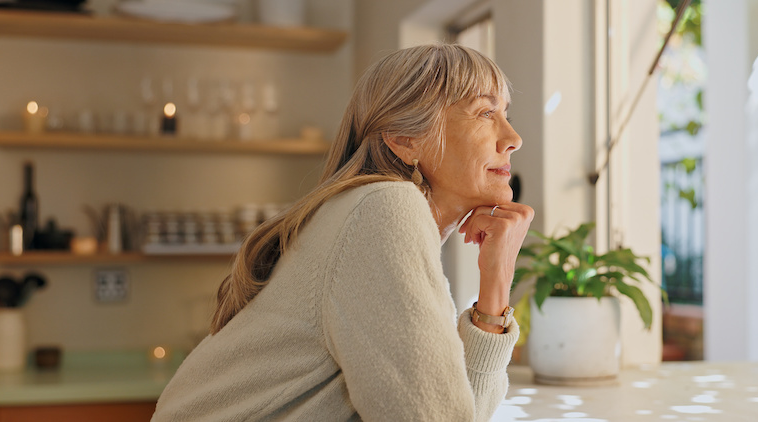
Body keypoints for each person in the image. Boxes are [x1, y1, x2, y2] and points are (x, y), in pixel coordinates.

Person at [152, 43, 534, 422]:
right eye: (486, 112)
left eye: (505, 114)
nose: (513, 137)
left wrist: (496, 281)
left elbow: (461, 410)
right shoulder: (384, 207)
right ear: (404, 139)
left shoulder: (374, 212)